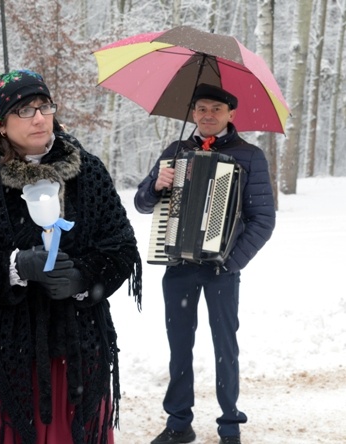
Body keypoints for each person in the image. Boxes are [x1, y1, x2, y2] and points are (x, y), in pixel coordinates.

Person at [0, 69, 143, 444]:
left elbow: (122, 248)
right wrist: (13, 267)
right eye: (23, 110)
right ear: (0, 123)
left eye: (44, 106)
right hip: (9, 351)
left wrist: (83, 279)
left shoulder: (86, 170)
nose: (39, 117)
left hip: (79, 348)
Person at [134, 83, 276, 444]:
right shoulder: (176, 150)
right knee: (179, 345)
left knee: (224, 345)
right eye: (201, 108)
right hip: (178, 266)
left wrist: (231, 262)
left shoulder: (250, 156)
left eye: (216, 109)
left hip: (221, 271)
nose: (208, 115)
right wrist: (156, 184)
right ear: (193, 113)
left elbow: (263, 220)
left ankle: (229, 425)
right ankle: (179, 423)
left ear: (231, 114)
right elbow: (142, 203)